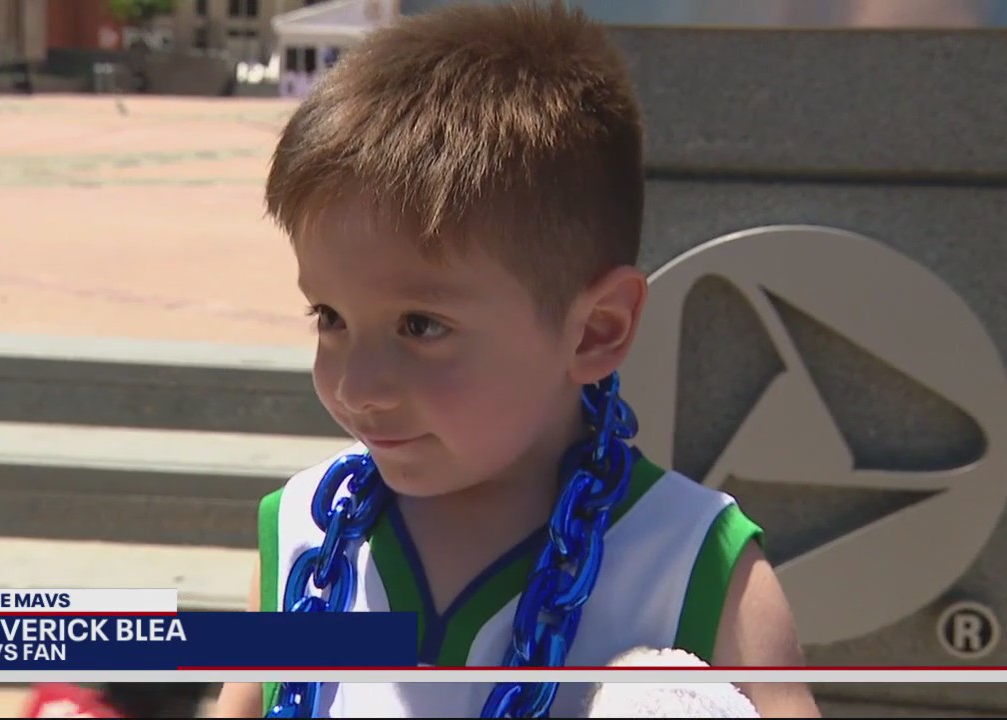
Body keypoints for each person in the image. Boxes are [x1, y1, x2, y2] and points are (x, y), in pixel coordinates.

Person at [213, 1, 822, 717]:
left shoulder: (700, 571)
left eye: (420, 325)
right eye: (330, 318)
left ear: (596, 331)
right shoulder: (300, 540)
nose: (357, 386)